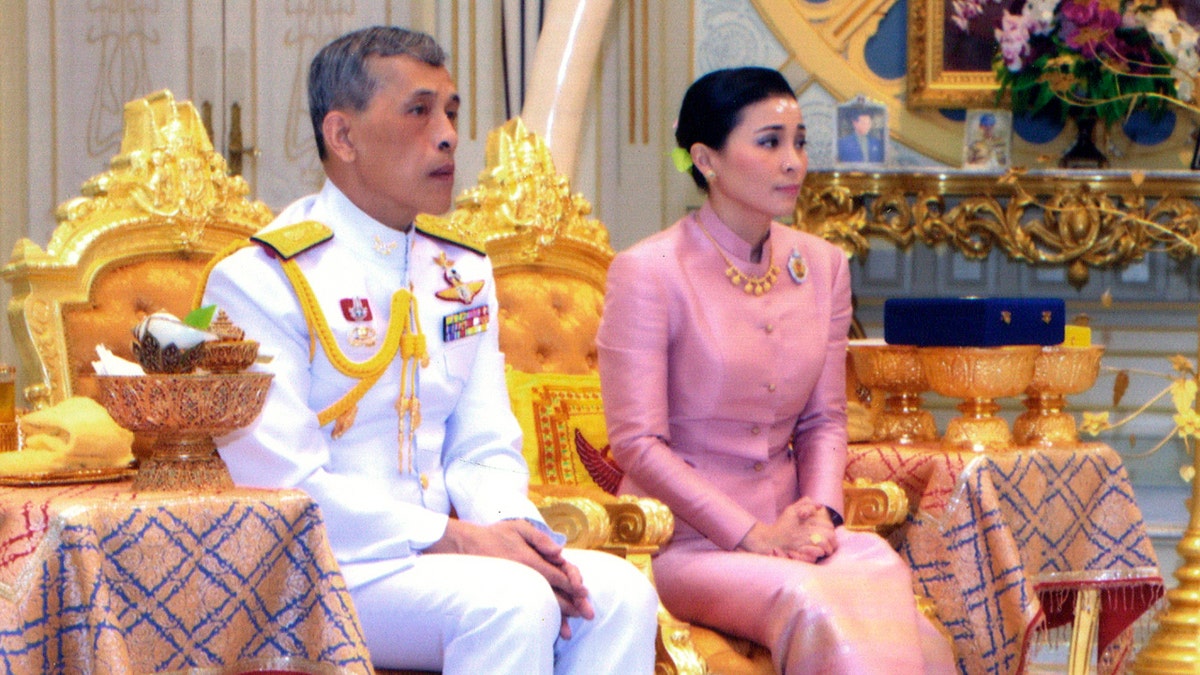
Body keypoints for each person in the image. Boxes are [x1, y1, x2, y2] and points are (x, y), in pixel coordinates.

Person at [202, 26, 658, 674]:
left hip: (438, 558)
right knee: (513, 603)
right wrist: (458, 538)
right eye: (418, 111)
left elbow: (483, 446)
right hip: (321, 567)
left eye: (451, 111)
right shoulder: (263, 277)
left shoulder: (461, 272)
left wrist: (515, 534)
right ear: (343, 136)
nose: (447, 134)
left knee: (617, 594)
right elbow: (286, 487)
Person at [596, 67, 956, 674]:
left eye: (800, 141)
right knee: (815, 601)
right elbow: (637, 443)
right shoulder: (649, 271)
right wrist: (752, 535)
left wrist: (819, 516)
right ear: (707, 160)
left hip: (800, 533)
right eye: (769, 142)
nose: (794, 162)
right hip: (691, 543)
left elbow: (824, 421)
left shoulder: (823, 266)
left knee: (880, 570)